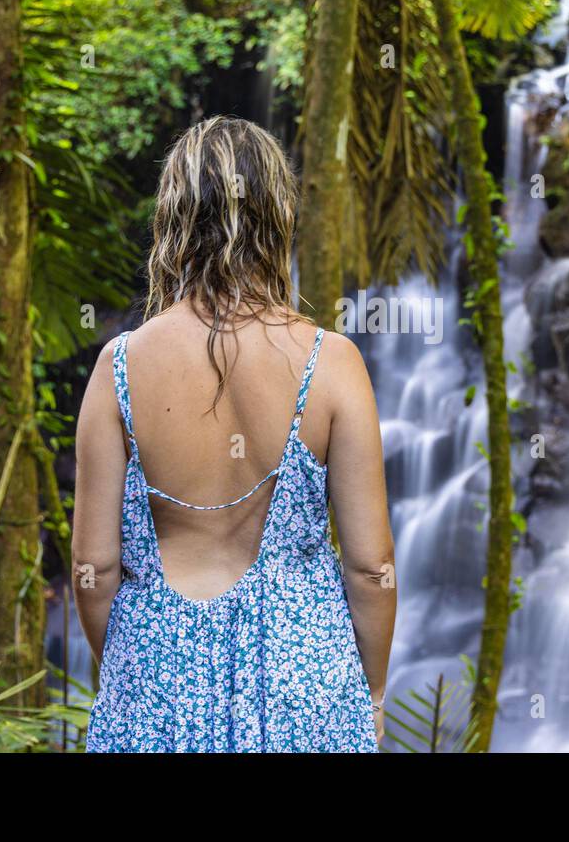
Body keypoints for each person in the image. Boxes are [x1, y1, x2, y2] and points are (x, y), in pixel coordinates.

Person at [72, 116, 395, 752]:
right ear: (279, 216)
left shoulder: (120, 366)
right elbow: (370, 564)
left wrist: (132, 671)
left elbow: (93, 565)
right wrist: (374, 693)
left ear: (172, 219)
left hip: (153, 683)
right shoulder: (332, 363)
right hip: (304, 689)